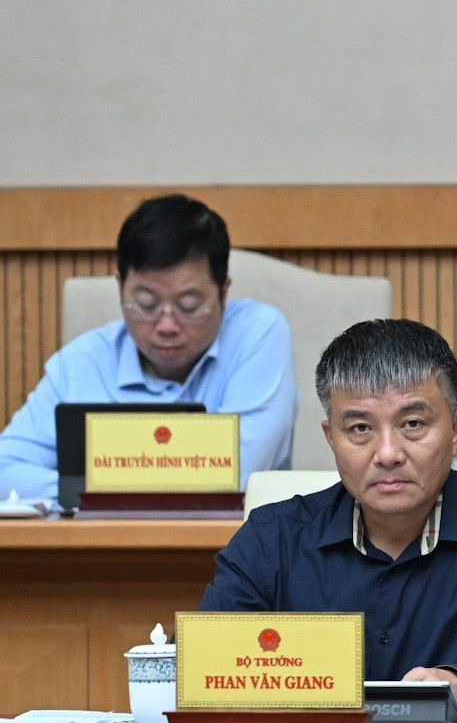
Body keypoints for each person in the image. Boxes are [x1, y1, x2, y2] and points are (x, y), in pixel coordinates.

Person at [203, 319, 457, 704]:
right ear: (330, 438)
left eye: (412, 423)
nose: (388, 454)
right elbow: (203, 668)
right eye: (359, 428)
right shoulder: (271, 540)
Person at [0, 194, 296, 501]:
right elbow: (5, 470)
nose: (166, 326)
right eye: (146, 304)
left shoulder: (258, 334)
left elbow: (238, 475)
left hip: (237, 543)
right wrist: (93, 493)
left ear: (223, 292)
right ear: (120, 287)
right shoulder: (80, 363)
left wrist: (93, 487)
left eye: (189, 305)